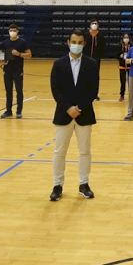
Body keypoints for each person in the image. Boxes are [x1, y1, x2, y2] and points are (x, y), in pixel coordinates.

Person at [49, 31, 100, 201]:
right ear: (68, 42)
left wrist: (79, 108)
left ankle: (84, 184)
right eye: (73, 41)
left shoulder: (92, 64)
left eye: (79, 42)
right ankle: (57, 185)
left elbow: (93, 90)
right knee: (59, 151)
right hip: (63, 114)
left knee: (85, 151)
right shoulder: (58, 64)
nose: (76, 45)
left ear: (84, 44)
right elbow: (55, 89)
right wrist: (68, 108)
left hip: (84, 114)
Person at [0, 24, 32, 119]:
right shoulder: (5, 42)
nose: (12, 32)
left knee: (19, 91)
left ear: (17, 31)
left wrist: (19, 54)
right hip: (7, 70)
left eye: (14, 30)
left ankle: (19, 111)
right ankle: (8, 111)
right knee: (8, 91)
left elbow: (29, 55)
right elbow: (0, 56)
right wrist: (2, 60)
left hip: (18, 70)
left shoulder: (22, 42)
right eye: (11, 30)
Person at [85, 19, 106, 84]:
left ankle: (95, 90)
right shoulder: (86, 35)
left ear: (98, 25)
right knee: (86, 75)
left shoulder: (101, 37)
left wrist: (99, 57)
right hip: (86, 58)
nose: (94, 25)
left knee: (95, 75)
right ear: (90, 25)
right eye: (93, 23)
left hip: (96, 59)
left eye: (96, 24)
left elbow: (103, 48)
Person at [117, 34, 131, 101]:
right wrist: (120, 56)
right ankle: (122, 95)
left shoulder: (132, 46)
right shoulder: (119, 46)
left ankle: (131, 95)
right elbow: (116, 55)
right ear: (122, 39)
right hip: (122, 66)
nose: (126, 39)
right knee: (122, 82)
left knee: (131, 82)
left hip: (130, 67)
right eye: (125, 37)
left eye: (127, 37)